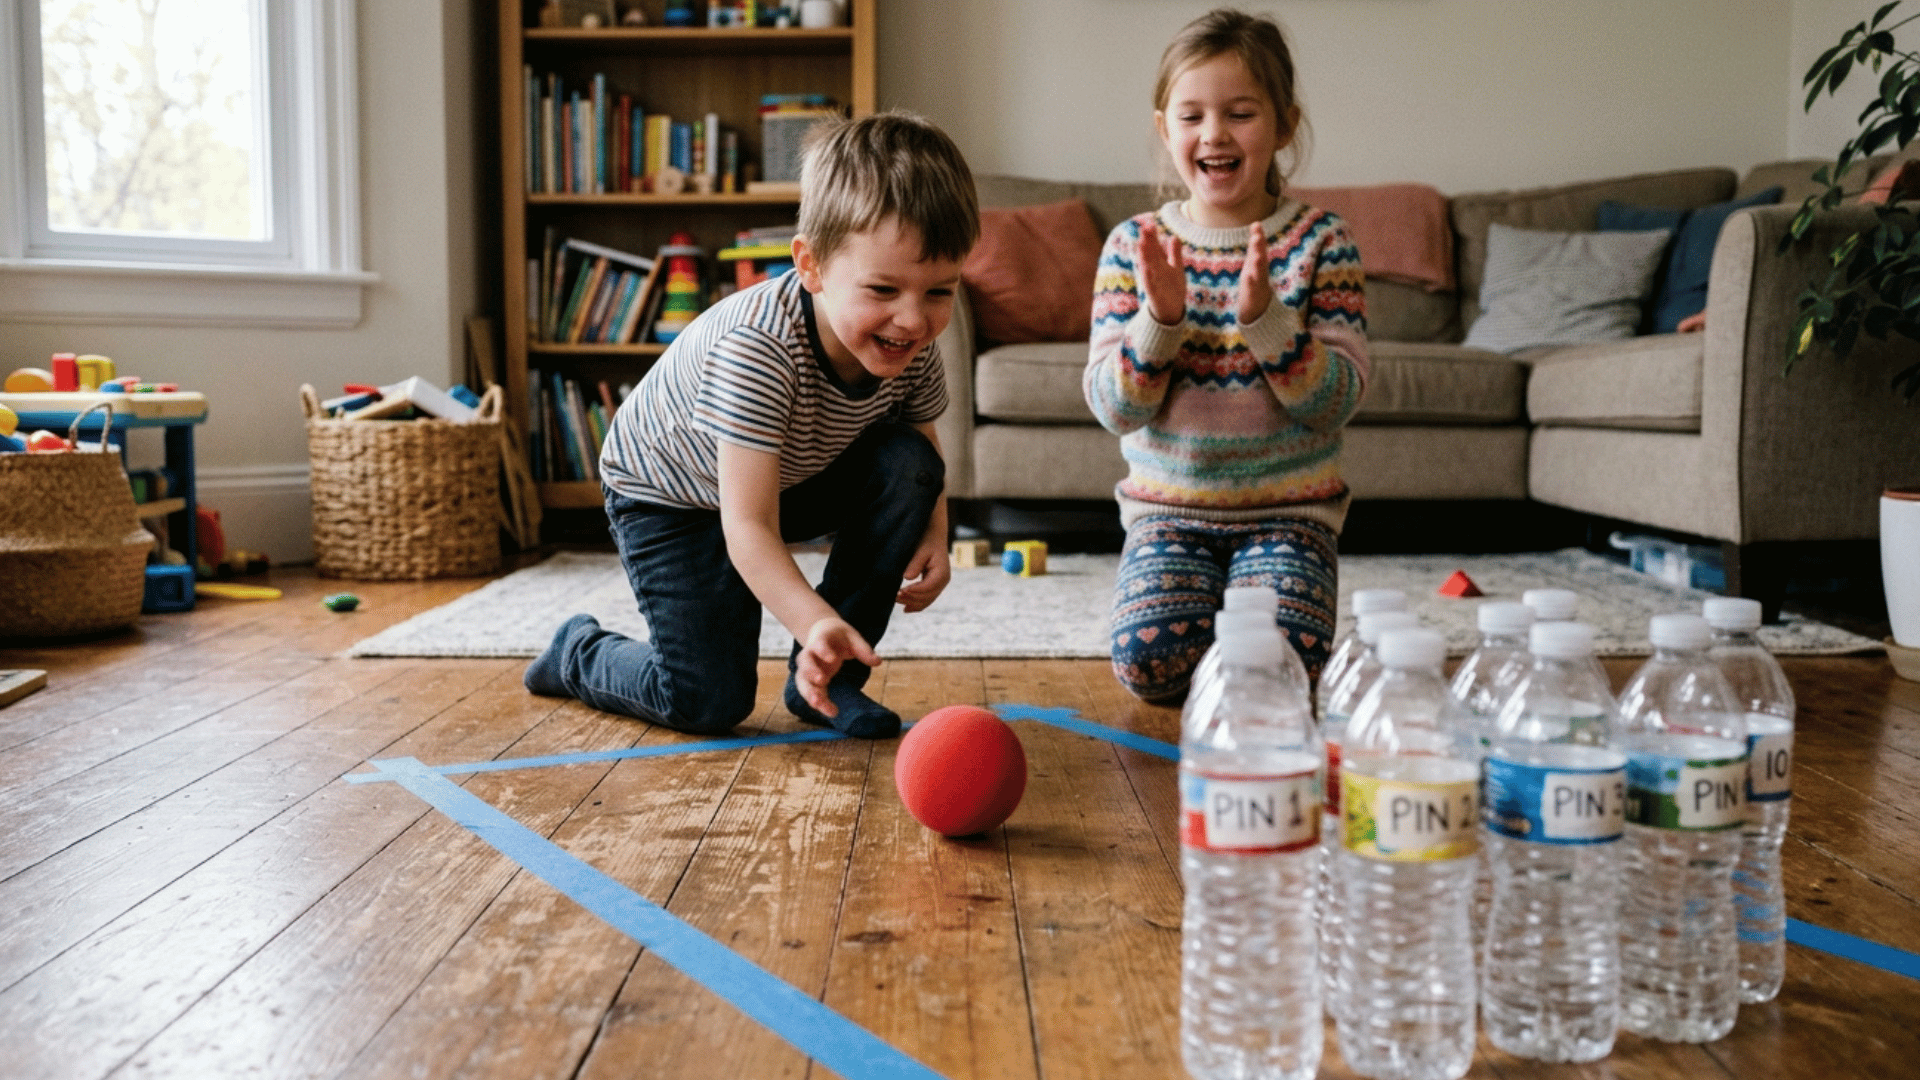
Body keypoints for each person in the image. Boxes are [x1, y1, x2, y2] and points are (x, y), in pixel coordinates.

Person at [524, 110, 979, 739]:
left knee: (908, 462)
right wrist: (810, 618)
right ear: (812, 265)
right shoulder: (758, 349)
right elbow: (746, 526)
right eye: (883, 290)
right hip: (673, 497)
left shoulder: (911, 344)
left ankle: (827, 682)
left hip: (783, 477)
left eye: (939, 292)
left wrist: (935, 528)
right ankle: (576, 650)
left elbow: (922, 447)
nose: (912, 320)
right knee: (707, 701)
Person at [1085, 8, 1369, 702]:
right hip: (1167, 517)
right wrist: (1162, 318)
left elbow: (1336, 402)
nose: (1214, 134)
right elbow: (1114, 409)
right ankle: (1214, 634)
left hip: (1289, 516)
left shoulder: (1322, 242)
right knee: (1148, 666)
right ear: (1164, 129)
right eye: (1192, 116)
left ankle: (1242, 634)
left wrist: (1266, 323)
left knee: (1287, 671)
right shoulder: (1135, 245)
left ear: (1283, 125)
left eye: (1240, 113)